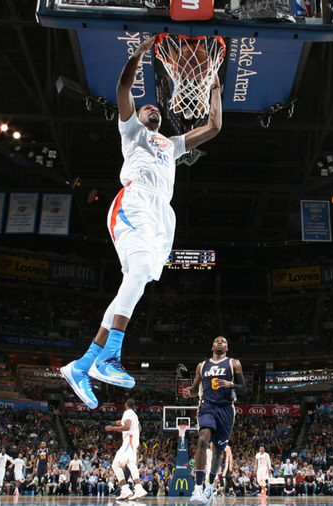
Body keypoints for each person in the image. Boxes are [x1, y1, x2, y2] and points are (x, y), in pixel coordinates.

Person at [62, 33, 223, 408]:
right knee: (135, 276)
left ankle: (83, 364)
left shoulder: (172, 145)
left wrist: (214, 83)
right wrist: (137, 54)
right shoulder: (131, 132)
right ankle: (109, 356)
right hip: (133, 201)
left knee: (133, 283)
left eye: (156, 109)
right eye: (146, 106)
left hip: (160, 215)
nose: (153, 109)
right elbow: (122, 86)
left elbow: (214, 126)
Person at [181, 336, 246, 504]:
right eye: (217, 341)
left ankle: (210, 485)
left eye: (223, 341)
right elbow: (195, 390)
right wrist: (190, 392)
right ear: (212, 346)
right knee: (202, 440)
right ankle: (197, 488)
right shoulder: (202, 366)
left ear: (227, 348)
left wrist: (230, 385)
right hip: (207, 406)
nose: (220, 343)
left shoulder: (234, 364)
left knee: (218, 450)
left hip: (225, 408)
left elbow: (244, 389)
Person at [106, 399, 148, 500]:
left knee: (129, 462)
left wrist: (112, 428)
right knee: (115, 464)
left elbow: (128, 427)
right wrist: (121, 423)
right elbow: (139, 428)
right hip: (130, 440)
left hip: (129, 439)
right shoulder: (134, 415)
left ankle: (138, 488)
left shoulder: (128, 412)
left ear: (126, 405)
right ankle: (125, 489)